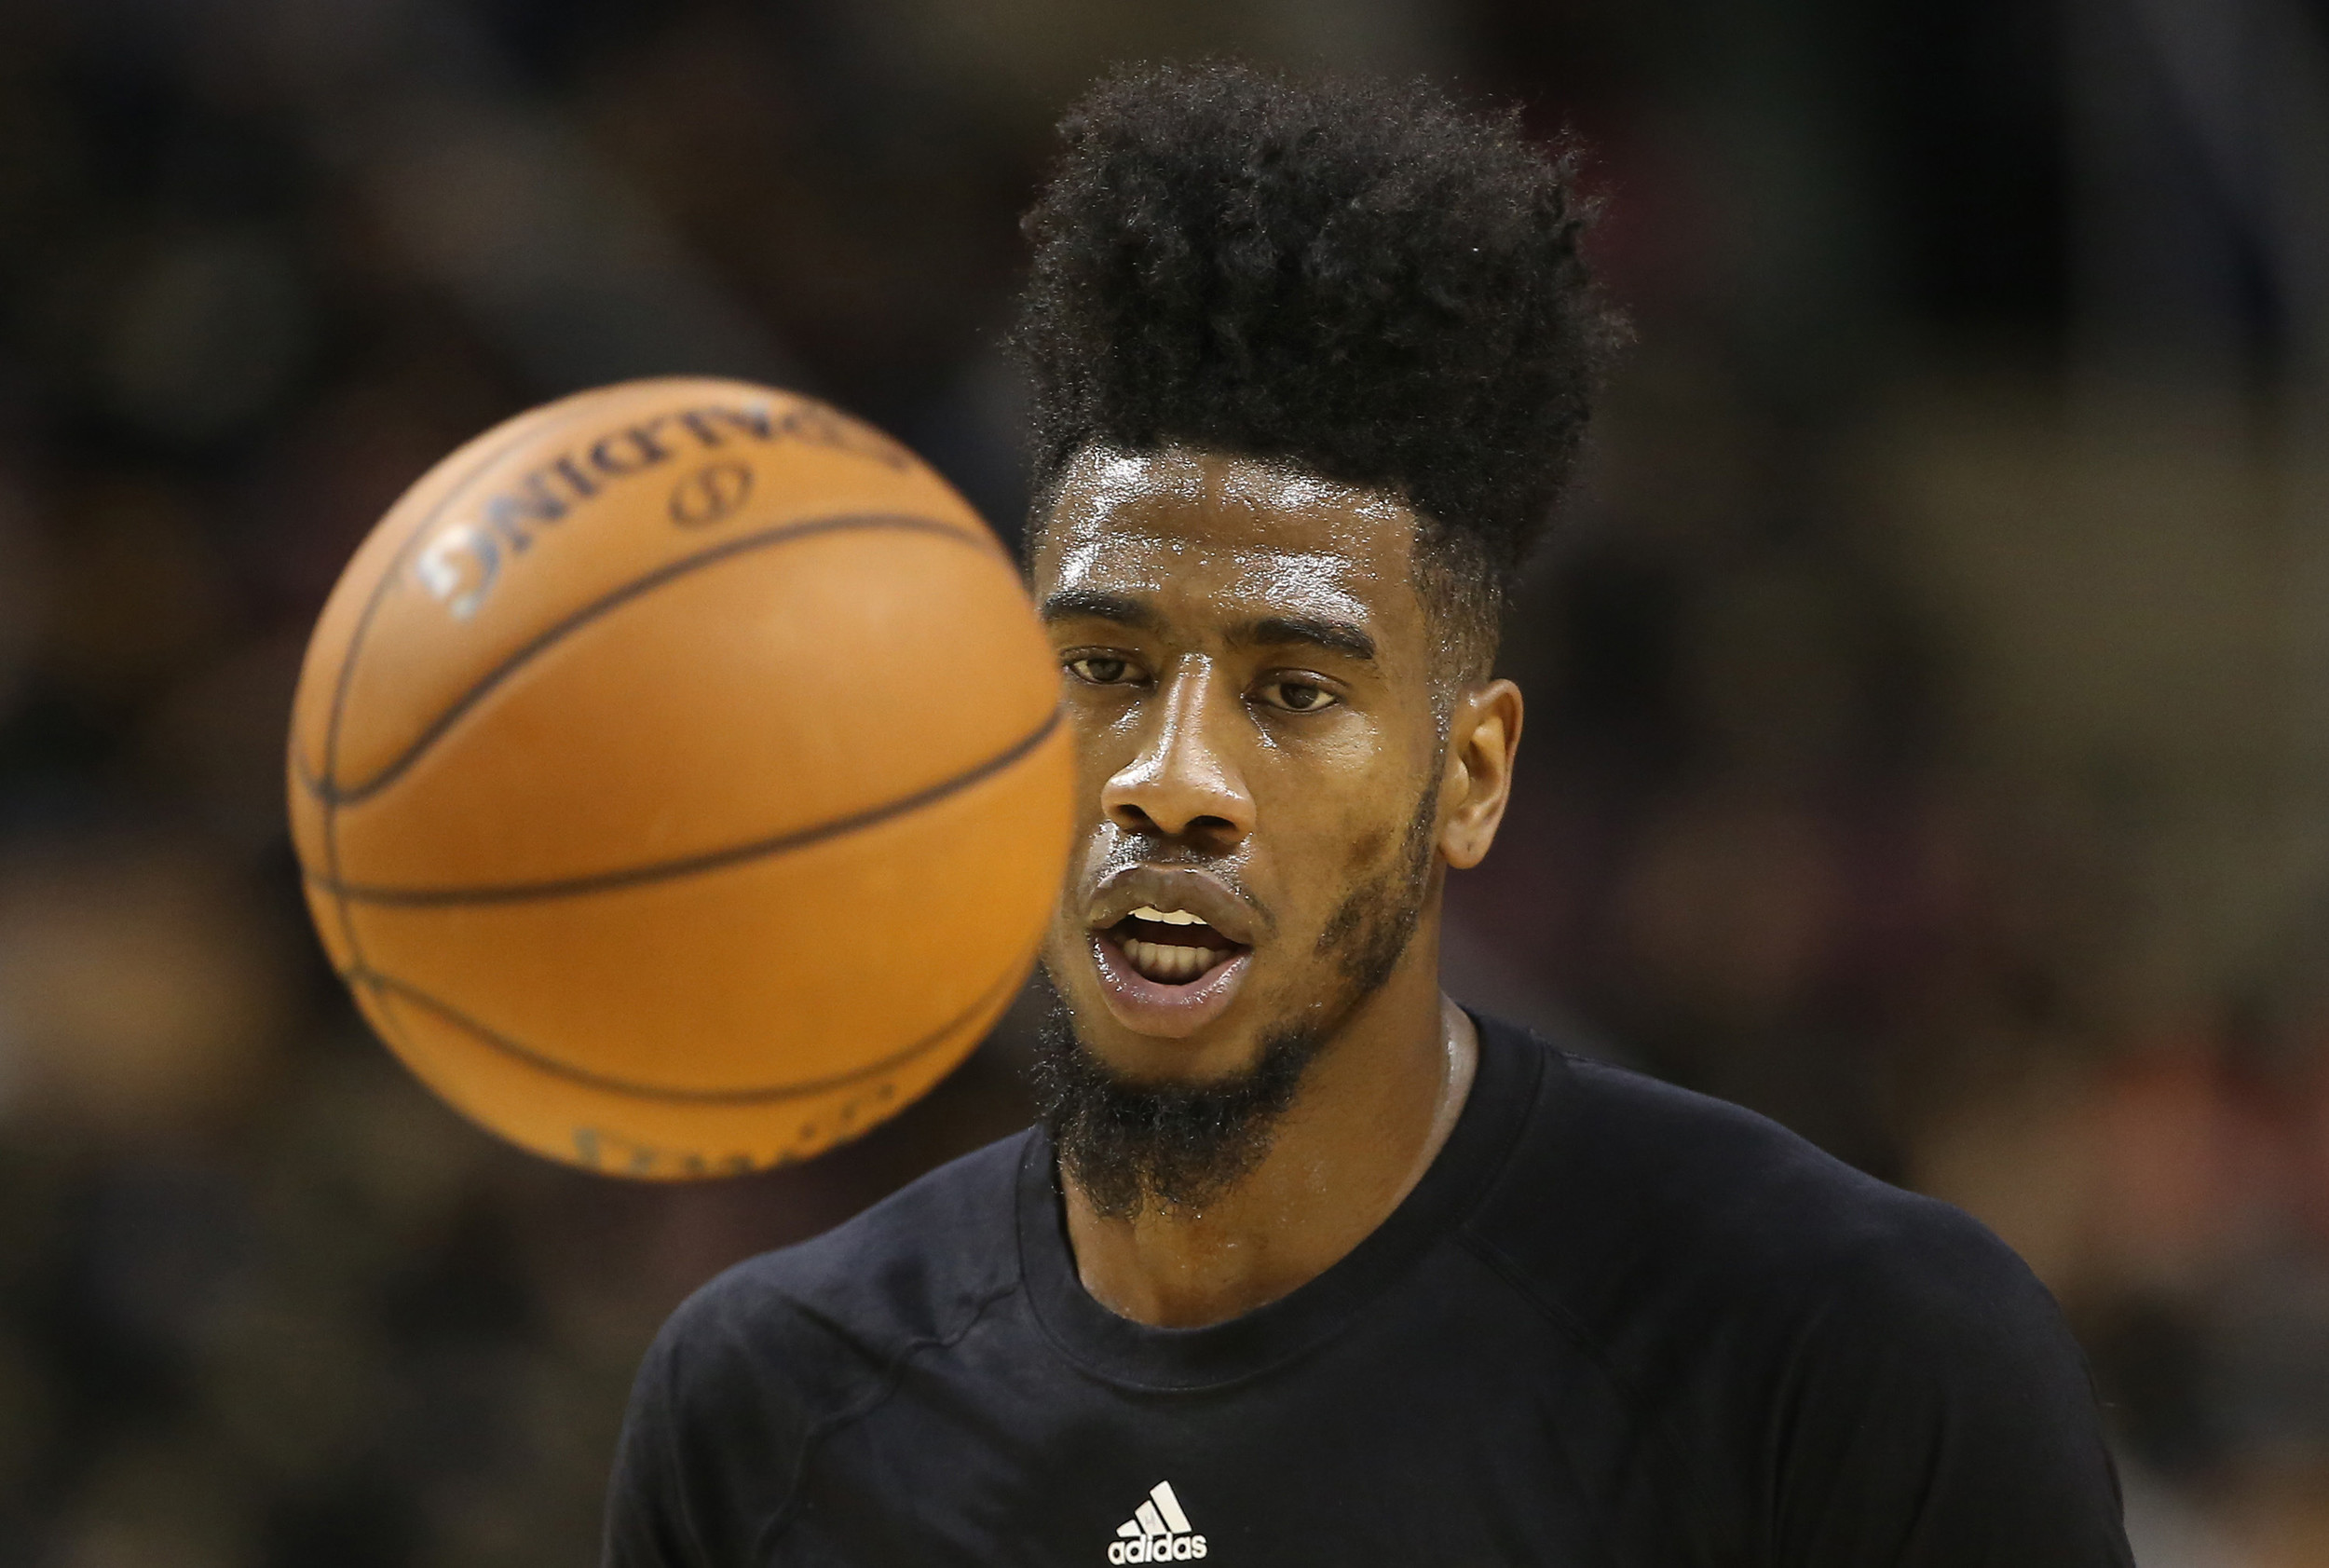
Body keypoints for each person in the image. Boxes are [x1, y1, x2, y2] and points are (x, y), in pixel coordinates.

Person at [604, 61, 2134, 1566]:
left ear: (1469, 778)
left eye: (1293, 692)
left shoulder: (1839, 1355)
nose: (1174, 777)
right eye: (1103, 667)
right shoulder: (769, 1406)